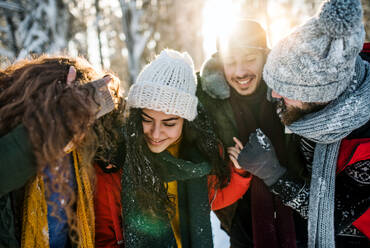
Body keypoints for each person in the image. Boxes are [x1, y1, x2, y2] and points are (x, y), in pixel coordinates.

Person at [237, 0, 370, 247]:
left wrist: (273, 174)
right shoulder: (334, 65)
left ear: (319, 97)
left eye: (285, 90)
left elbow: (334, 216)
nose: (275, 95)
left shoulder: (366, 142)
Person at [93, 49, 251, 248]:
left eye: (169, 123)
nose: (156, 133)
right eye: (147, 119)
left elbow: (213, 199)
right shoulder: (114, 164)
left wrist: (239, 172)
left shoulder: (196, 156)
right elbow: (103, 237)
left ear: (186, 122)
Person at [197, 19, 306, 247]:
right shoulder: (206, 103)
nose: (240, 71)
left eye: (249, 59)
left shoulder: (291, 92)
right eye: (231, 62)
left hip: (299, 215)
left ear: (265, 58)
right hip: (242, 222)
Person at [0, 55, 124, 247]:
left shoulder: (78, 148)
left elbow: (118, 134)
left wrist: (107, 99)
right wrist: (56, 126)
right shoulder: (9, 136)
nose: (77, 128)